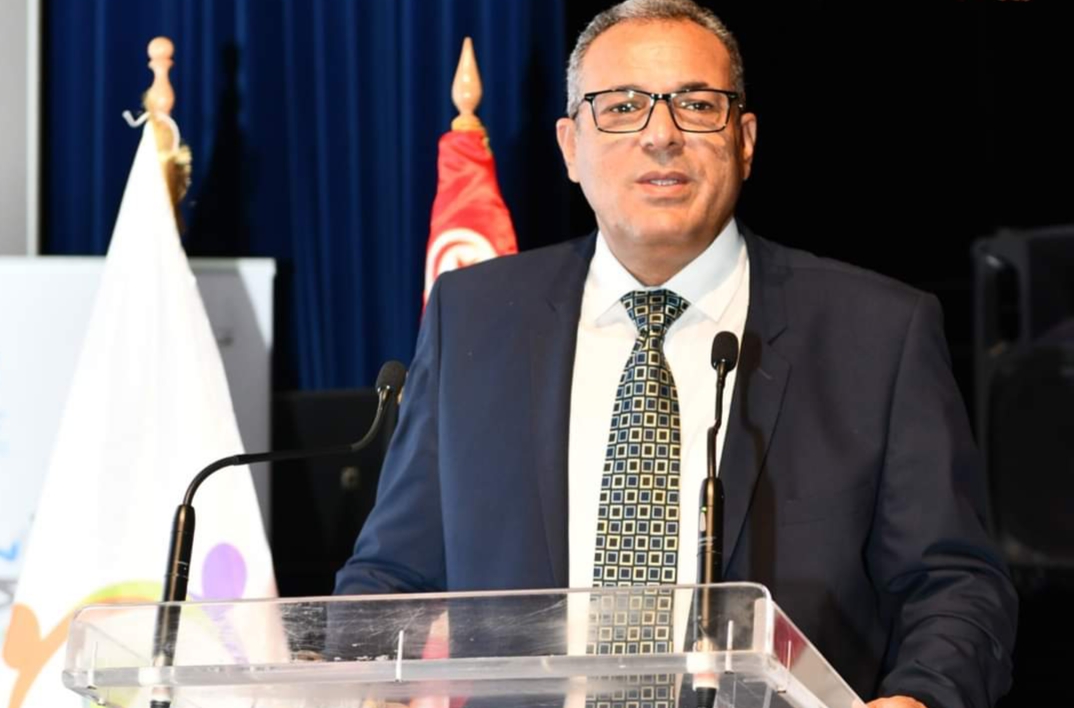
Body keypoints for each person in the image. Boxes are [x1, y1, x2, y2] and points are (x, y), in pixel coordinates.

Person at [335, 2, 1017, 707]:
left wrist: (920, 698)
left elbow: (956, 586)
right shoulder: (474, 317)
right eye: (622, 107)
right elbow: (390, 580)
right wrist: (363, 686)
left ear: (744, 140)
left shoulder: (875, 333)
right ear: (570, 147)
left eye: (696, 104)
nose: (661, 134)